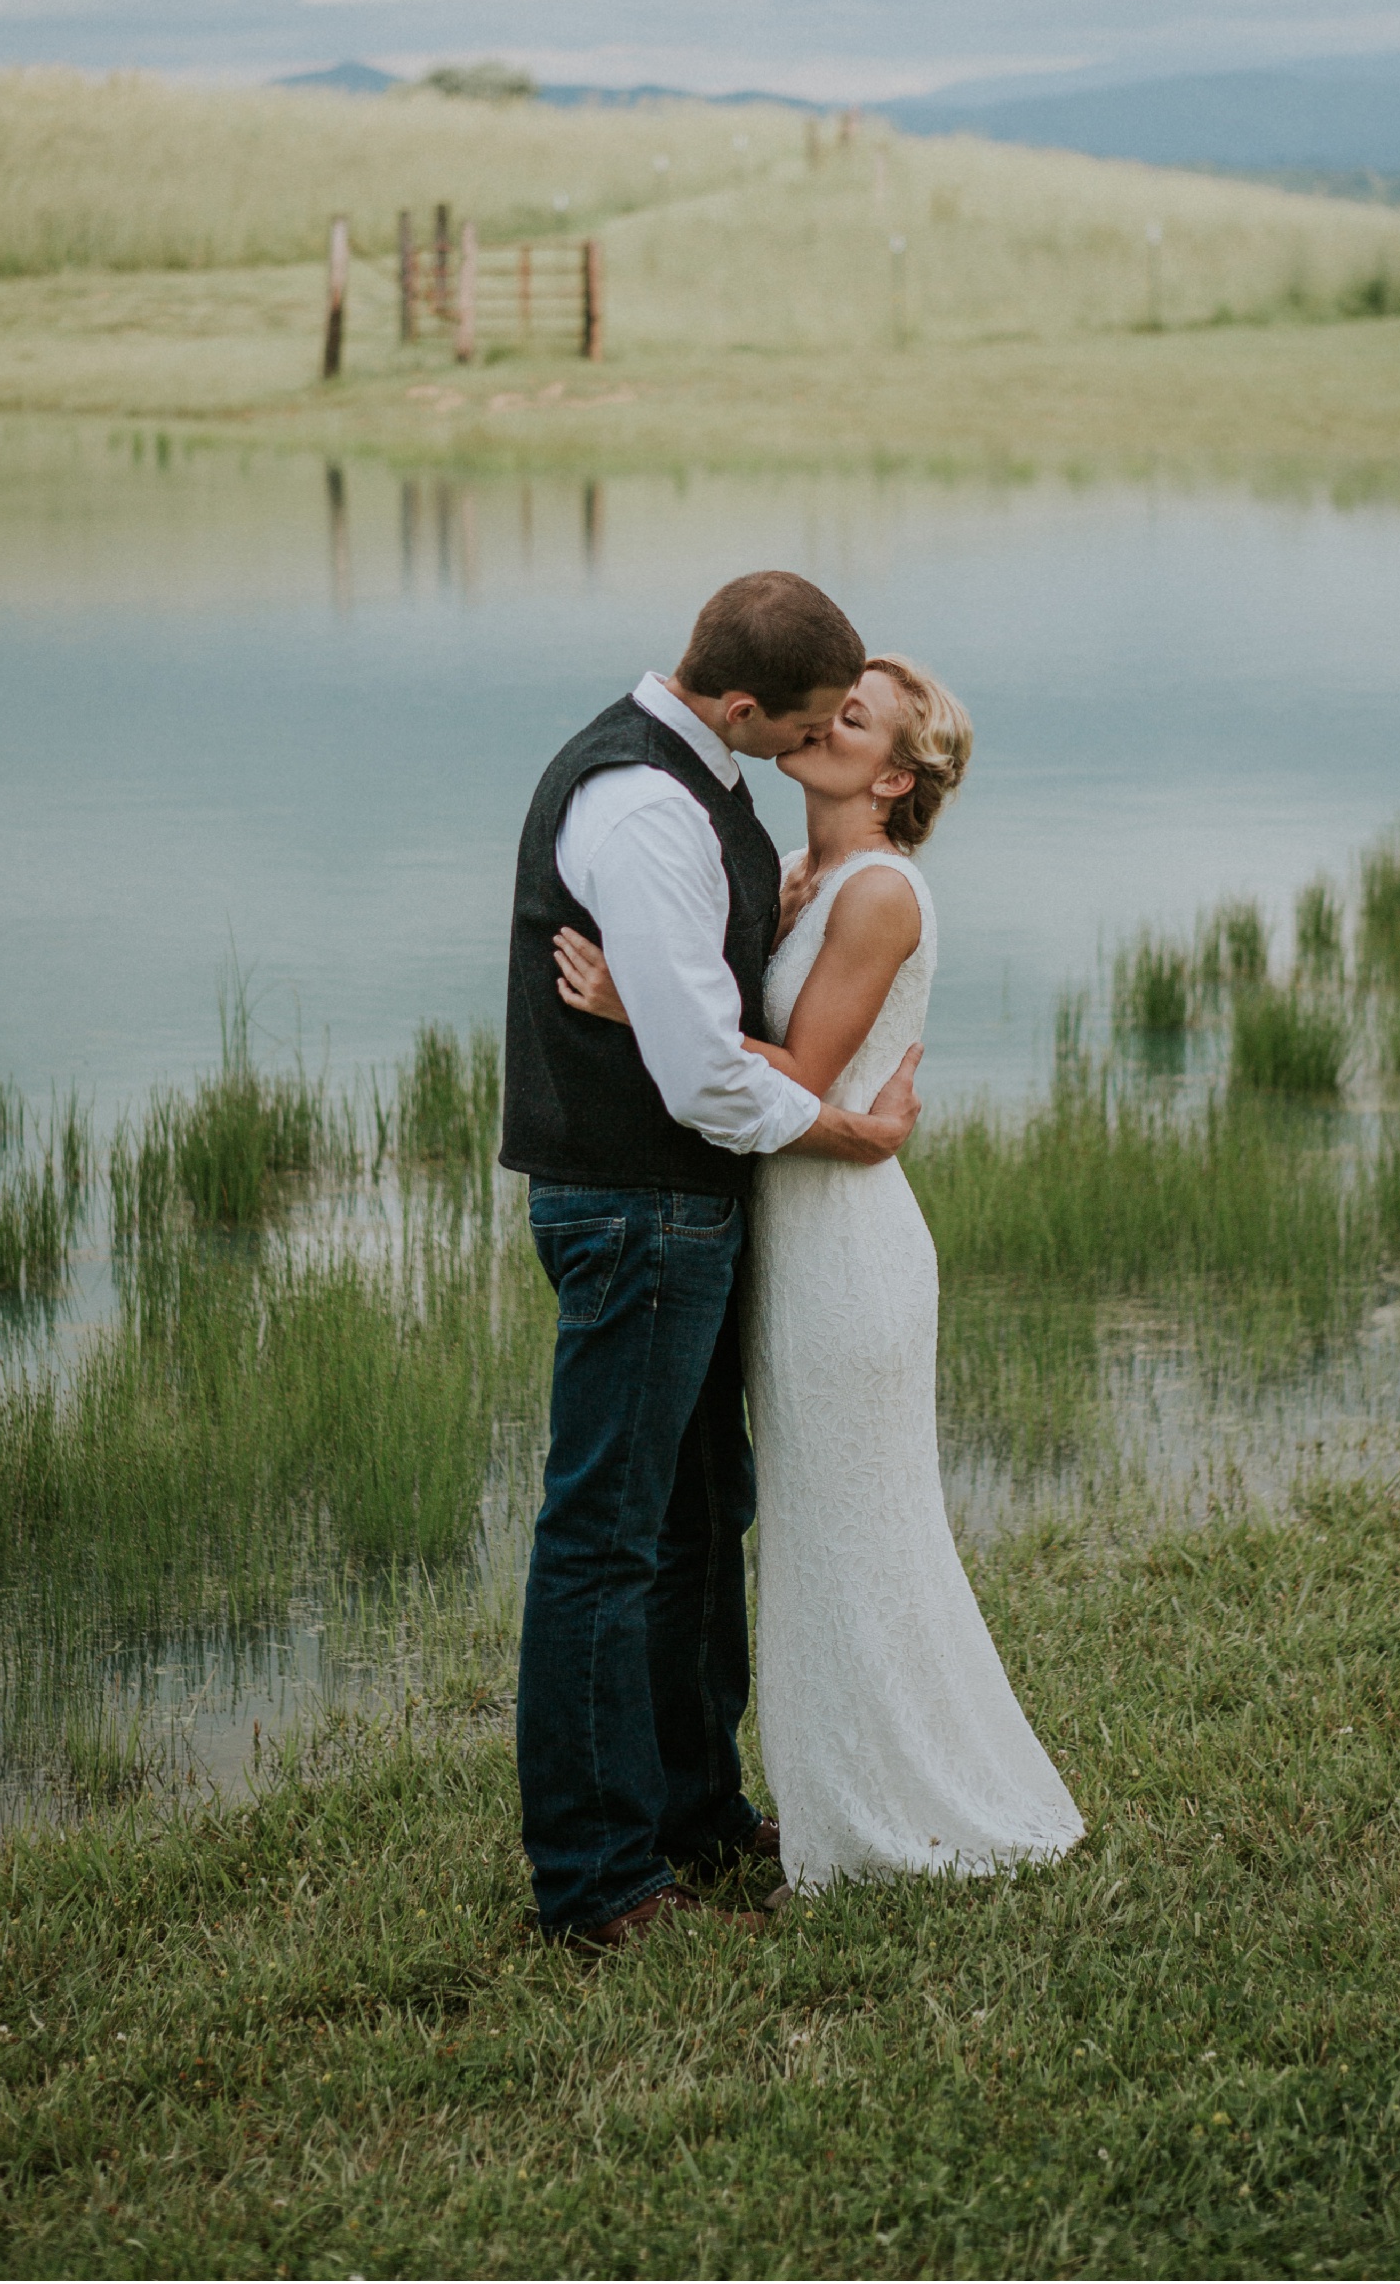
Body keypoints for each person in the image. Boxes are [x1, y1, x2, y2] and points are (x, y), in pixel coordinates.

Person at [556, 654, 1083, 1900]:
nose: (815, 720)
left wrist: (646, 1009)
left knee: (853, 1529)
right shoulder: (808, 879)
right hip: (787, 1241)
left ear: (894, 775)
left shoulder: (879, 896)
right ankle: (832, 1799)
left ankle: (894, 1816)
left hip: (844, 1253)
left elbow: (794, 1081)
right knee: (805, 1530)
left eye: (849, 718)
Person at [501, 571, 925, 1954]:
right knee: (607, 1539)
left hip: (676, 1214)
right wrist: (847, 1125)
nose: (813, 743)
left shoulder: (701, 789)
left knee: (694, 1522)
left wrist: (780, 899)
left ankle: (696, 1811)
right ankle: (600, 1883)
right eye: (802, 724)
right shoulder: (643, 806)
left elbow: (700, 987)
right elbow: (697, 1077)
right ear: (740, 704)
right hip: (637, 1207)